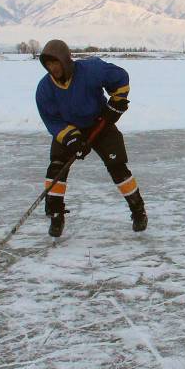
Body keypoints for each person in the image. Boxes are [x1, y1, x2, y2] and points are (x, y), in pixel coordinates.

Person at [35, 39, 147, 237]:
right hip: (70, 129)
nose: (52, 68)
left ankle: (138, 210)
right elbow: (52, 119)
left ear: (65, 60)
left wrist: (117, 103)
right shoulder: (44, 89)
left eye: (55, 62)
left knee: (118, 167)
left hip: (100, 124)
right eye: (48, 64)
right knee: (56, 168)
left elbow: (120, 78)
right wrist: (72, 139)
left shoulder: (91, 69)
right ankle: (56, 216)